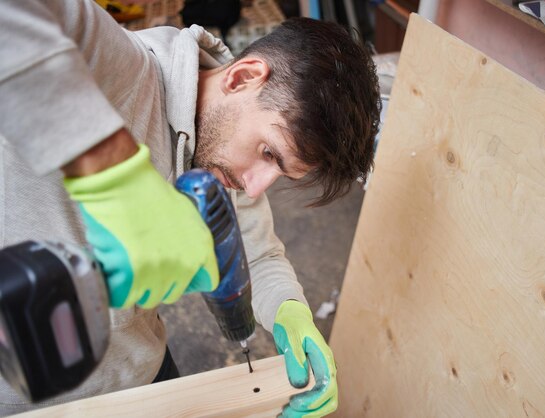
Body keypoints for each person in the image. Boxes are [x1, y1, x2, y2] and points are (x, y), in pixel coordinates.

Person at [0, 0, 381, 416]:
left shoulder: (225, 162)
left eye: (280, 173)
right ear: (242, 77)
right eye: (269, 153)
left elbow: (258, 254)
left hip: (140, 373)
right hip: (21, 395)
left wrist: (291, 312)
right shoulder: (121, 69)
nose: (255, 186)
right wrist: (113, 172)